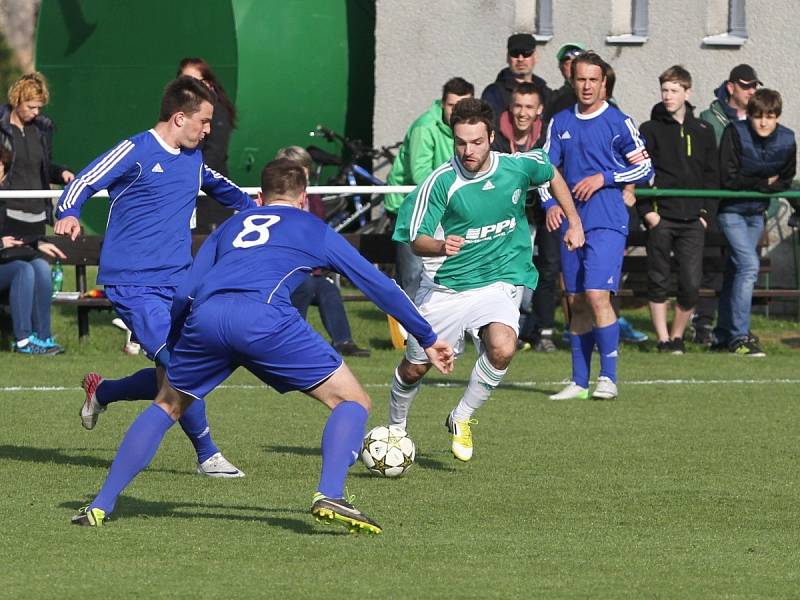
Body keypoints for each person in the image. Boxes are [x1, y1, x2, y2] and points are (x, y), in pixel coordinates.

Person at [71, 159, 454, 532]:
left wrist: (174, 340)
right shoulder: (311, 226)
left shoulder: (231, 225)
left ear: (259, 196)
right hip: (264, 319)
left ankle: (100, 504)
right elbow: (377, 283)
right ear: (303, 197)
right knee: (352, 401)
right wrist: (427, 336)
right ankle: (331, 493)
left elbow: (186, 290)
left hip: (207, 317)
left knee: (167, 404)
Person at [55, 76, 257, 477]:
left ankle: (105, 391)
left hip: (179, 283)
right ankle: (208, 455)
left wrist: (259, 207)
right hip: (133, 284)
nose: (208, 129)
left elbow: (222, 188)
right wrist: (68, 211)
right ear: (179, 118)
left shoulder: (194, 160)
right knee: (181, 363)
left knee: (177, 367)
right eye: (204, 121)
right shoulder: (136, 150)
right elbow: (84, 179)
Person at [389, 98, 584, 461]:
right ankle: (395, 428)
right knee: (416, 368)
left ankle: (461, 417)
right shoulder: (439, 184)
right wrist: (440, 245)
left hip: (498, 280)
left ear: (491, 137)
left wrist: (573, 221)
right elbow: (416, 241)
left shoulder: (516, 167)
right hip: (446, 288)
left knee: (503, 346)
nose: (468, 150)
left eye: (476, 142)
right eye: (461, 142)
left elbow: (551, 171)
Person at [545, 52, 653, 401]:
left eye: (594, 79)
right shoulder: (559, 122)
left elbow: (645, 169)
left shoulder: (619, 122)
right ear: (572, 81)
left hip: (607, 221)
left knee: (596, 294)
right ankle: (578, 382)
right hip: (571, 225)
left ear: (604, 82)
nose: (587, 86)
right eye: (581, 79)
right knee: (575, 301)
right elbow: (545, 171)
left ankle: (608, 378)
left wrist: (605, 177)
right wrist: (549, 204)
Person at [637, 65, 719, 353]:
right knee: (658, 279)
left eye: (674, 90)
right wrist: (648, 212)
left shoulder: (704, 130)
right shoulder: (649, 129)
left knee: (690, 283)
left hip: (693, 220)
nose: (668, 96)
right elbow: (638, 173)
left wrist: (705, 215)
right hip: (661, 218)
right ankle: (662, 339)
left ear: (688, 92)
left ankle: (677, 335)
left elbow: (712, 175)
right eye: (664, 90)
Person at [713, 89, 796, 356]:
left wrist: (762, 187)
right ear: (749, 116)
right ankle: (740, 337)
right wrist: (763, 183)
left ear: (777, 117)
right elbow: (728, 179)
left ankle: (723, 336)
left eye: (769, 117)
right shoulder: (734, 133)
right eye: (758, 116)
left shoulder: (787, 139)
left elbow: (785, 179)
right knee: (749, 266)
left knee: (736, 271)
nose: (763, 122)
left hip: (756, 213)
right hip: (731, 212)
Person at [275, 145, 371, 357]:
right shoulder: (273, 202)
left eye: (305, 171)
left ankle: (343, 342)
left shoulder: (315, 201)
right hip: (282, 274)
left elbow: (319, 236)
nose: (303, 177)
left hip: (311, 271)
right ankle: (290, 342)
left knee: (328, 289)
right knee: (305, 284)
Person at [385, 77, 474, 299]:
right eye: (452, 105)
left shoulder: (466, 130)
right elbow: (420, 176)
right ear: (442, 103)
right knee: (414, 275)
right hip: (410, 206)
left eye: (463, 106)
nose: (457, 112)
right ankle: (410, 331)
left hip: (444, 207)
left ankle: (436, 329)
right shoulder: (425, 127)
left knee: (447, 276)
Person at [694, 64, 762, 343]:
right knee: (716, 268)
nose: (752, 91)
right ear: (731, 87)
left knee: (738, 268)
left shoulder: (759, 119)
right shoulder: (711, 119)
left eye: (755, 86)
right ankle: (709, 324)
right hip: (718, 204)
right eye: (746, 86)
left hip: (747, 206)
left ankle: (728, 329)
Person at [491, 83, 559, 352]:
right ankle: (505, 329)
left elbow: (552, 172)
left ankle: (544, 330)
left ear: (539, 110)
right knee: (505, 272)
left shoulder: (547, 136)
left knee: (549, 268)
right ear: (510, 106)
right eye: (518, 106)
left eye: (529, 107)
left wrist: (554, 204)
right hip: (506, 213)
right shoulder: (495, 135)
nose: (522, 113)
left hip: (543, 210)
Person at [0, 145, 65, 354]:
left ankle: (42, 337)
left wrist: (36, 243)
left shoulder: (4, 198)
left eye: (1, 167)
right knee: (22, 270)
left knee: (39, 265)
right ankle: (23, 341)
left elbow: (16, 233)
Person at [0, 72, 74, 237]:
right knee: (21, 264)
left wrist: (62, 173)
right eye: (31, 107)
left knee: (39, 264)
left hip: (37, 214)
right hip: (7, 214)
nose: (36, 112)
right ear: (16, 100)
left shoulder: (42, 130)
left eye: (39, 107)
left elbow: (43, 168)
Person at [178, 58, 238, 233]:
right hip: (186, 197)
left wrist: (183, 174)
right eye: (184, 82)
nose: (189, 88)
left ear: (209, 84)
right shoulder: (178, 114)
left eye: (195, 82)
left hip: (209, 199)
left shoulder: (216, 112)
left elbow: (214, 154)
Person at [481, 33, 550, 123]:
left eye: (526, 54)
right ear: (507, 58)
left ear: (536, 56)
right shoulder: (493, 93)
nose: (520, 59)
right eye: (515, 53)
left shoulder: (545, 92)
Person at [542, 42, 585, 124]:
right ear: (561, 68)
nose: (573, 65)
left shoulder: (600, 94)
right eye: (567, 60)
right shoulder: (555, 100)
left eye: (578, 59)